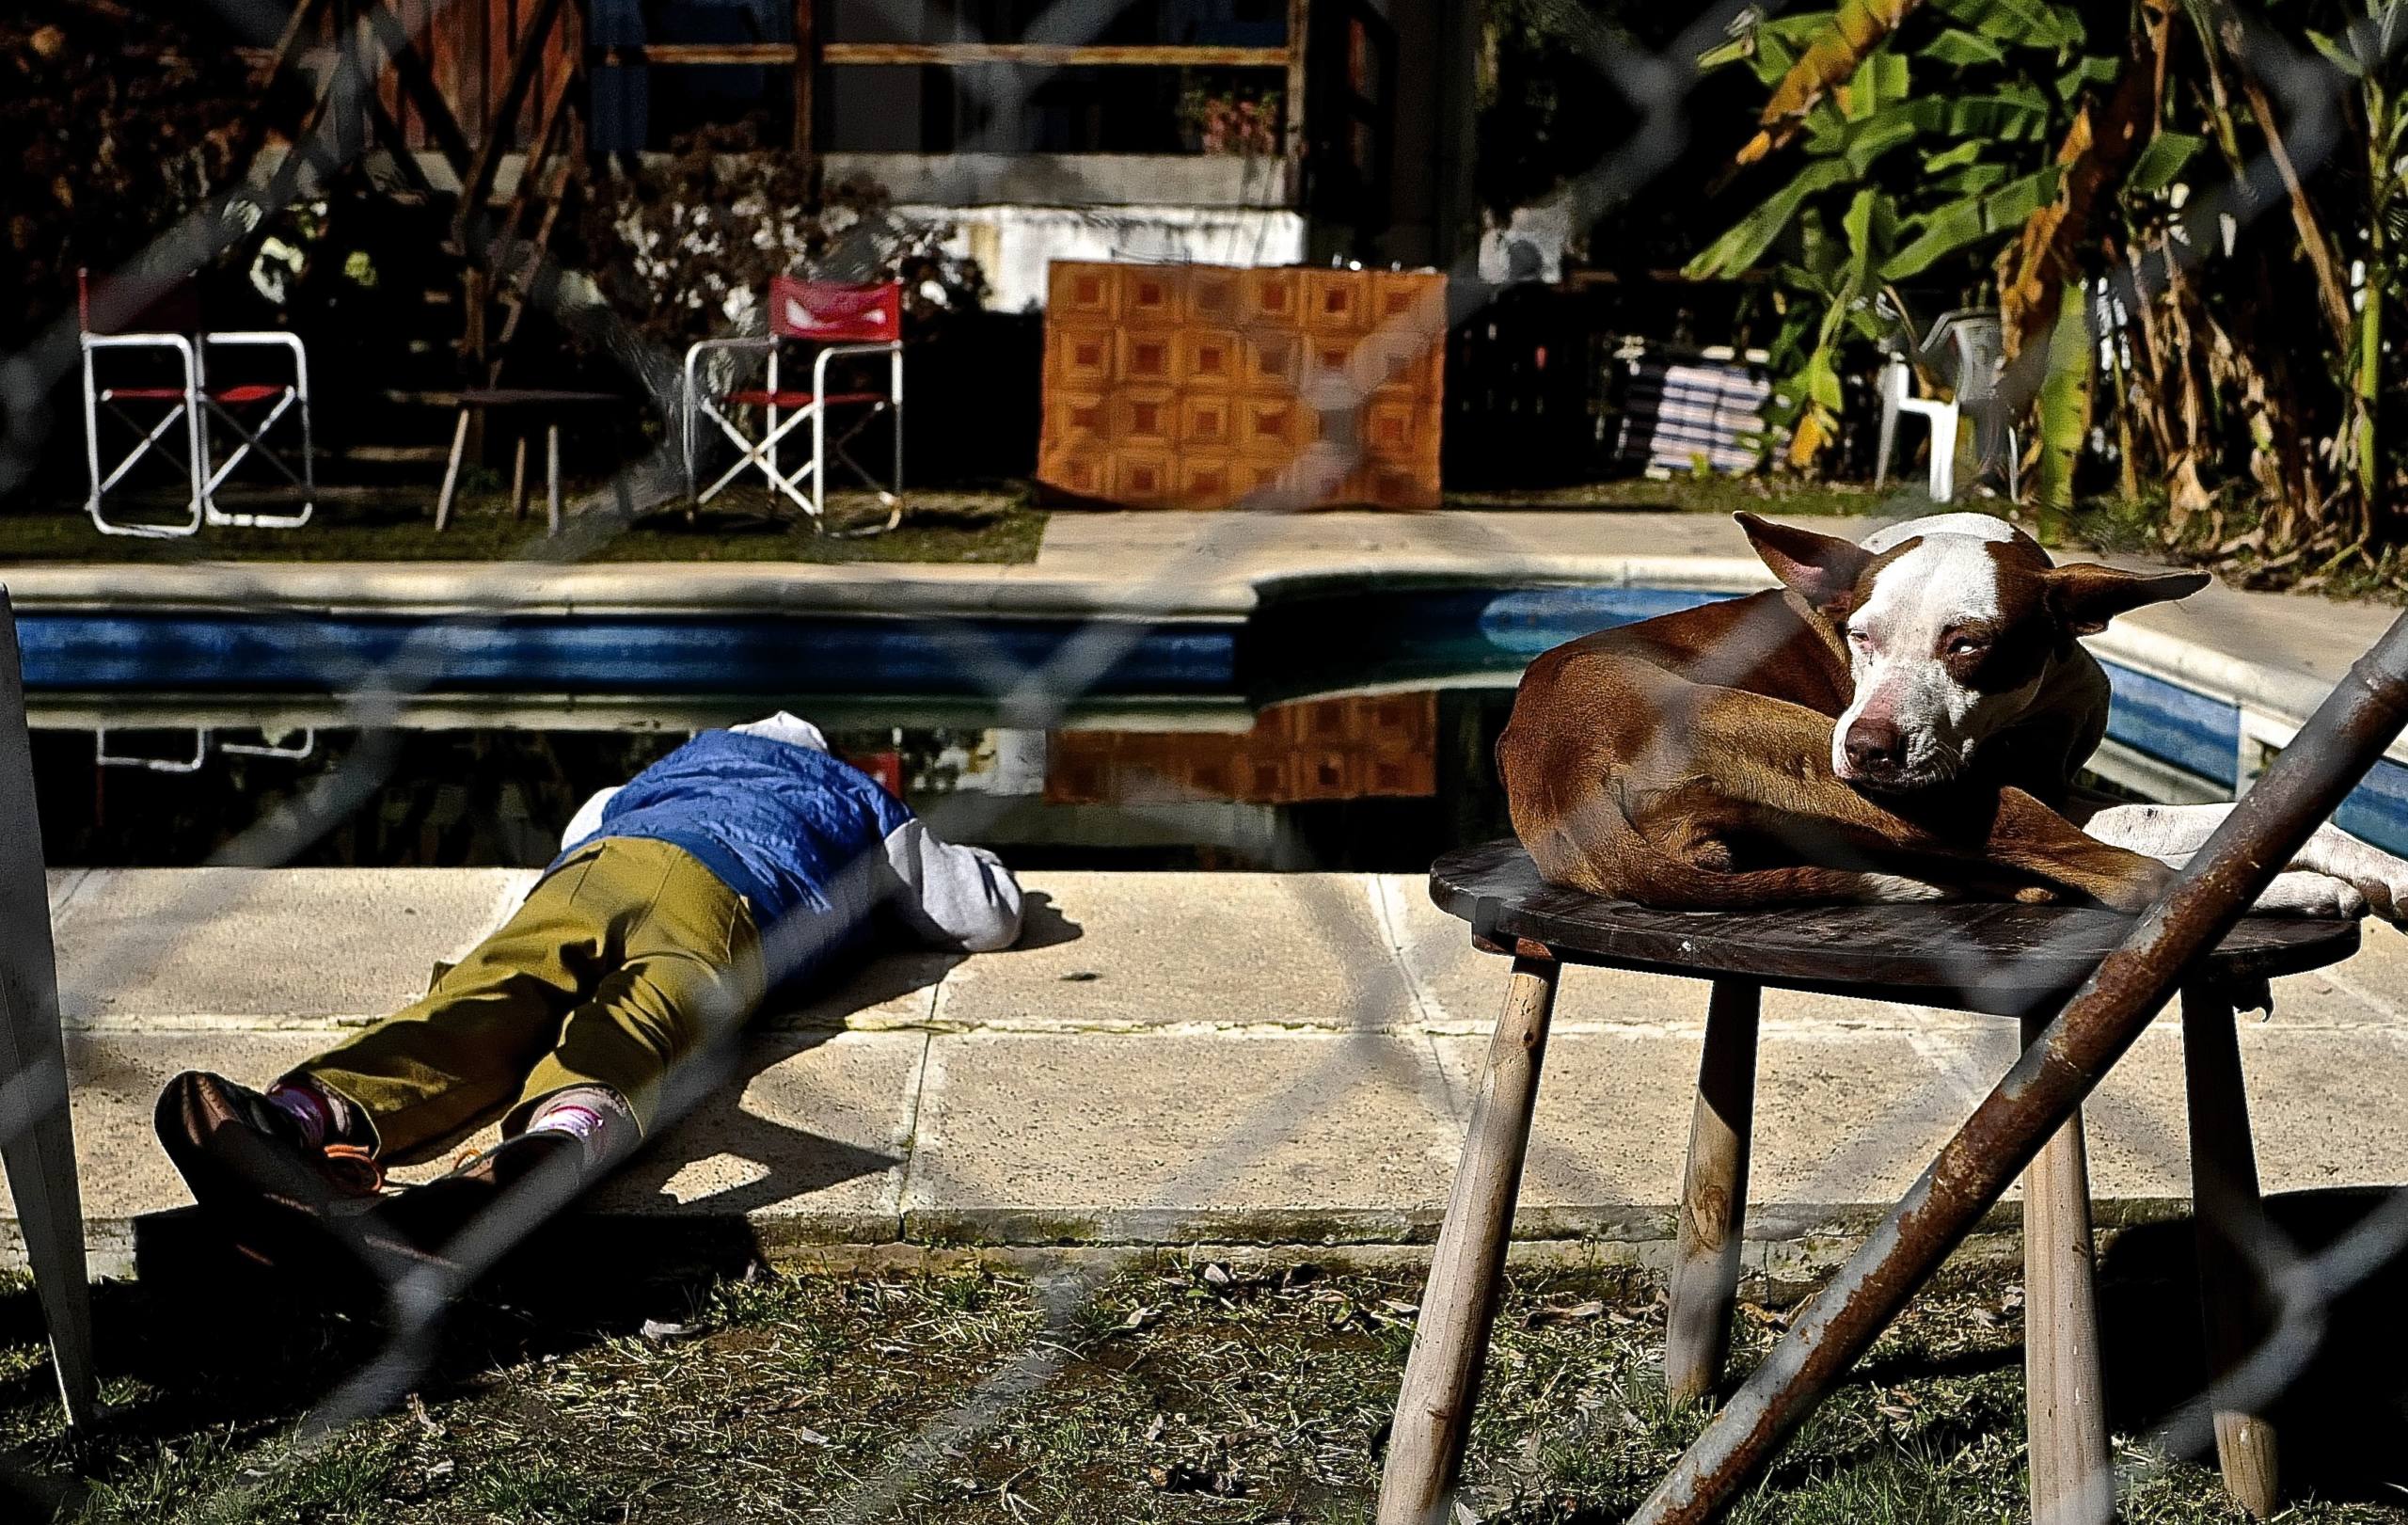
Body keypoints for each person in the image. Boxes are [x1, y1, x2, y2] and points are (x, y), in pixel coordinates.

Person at [155, 712, 1022, 1270]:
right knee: (650, 1016)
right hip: (729, 898)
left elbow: (576, 834)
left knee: (494, 989)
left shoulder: (663, 772)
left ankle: (303, 1113)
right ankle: (547, 1150)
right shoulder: (855, 798)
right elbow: (983, 914)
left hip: (601, 867)